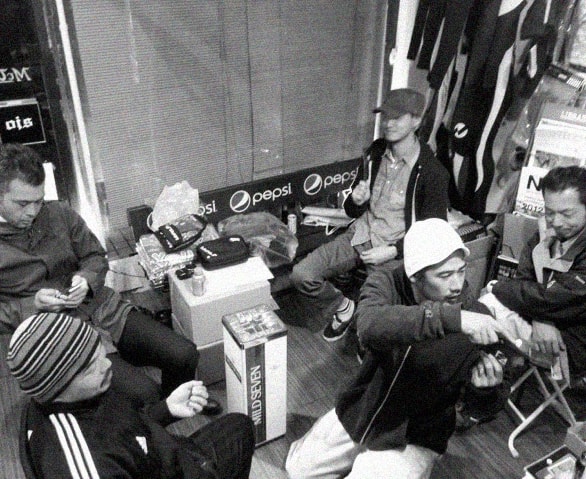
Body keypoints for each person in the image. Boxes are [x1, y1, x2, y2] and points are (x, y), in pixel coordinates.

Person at [286, 218, 509, 479]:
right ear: (414, 276)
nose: (457, 285)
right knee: (298, 471)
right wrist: (450, 318)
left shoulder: (479, 318)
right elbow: (368, 325)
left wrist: (484, 391)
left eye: (461, 270)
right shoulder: (386, 283)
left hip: (415, 434)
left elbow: (486, 407)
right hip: (363, 407)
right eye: (445, 275)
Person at [0, 143, 199, 405]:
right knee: (145, 395)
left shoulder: (59, 213)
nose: (32, 212)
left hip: (101, 308)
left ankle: (169, 411)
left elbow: (95, 255)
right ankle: (150, 417)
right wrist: (32, 305)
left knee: (185, 355)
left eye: (38, 201)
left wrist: (86, 279)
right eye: (23, 203)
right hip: (55, 333)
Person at [7, 312, 254, 479]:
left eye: (99, 353)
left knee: (239, 426)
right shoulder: (85, 465)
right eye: (89, 368)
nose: (106, 365)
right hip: (167, 467)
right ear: (59, 388)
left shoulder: (71, 395)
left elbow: (119, 428)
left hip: (165, 456)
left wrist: (166, 409)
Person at [290, 88, 450, 342]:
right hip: (360, 235)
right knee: (302, 275)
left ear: (416, 121)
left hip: (393, 249)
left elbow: (434, 234)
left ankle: (369, 338)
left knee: (374, 323)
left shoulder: (432, 173)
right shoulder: (375, 153)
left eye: (397, 117)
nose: (388, 123)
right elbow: (351, 210)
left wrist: (394, 251)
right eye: (385, 116)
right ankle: (344, 308)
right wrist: (355, 200)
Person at [489, 166, 586, 385]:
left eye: (567, 214)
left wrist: (496, 286)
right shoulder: (545, 237)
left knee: (487, 306)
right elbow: (525, 283)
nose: (556, 221)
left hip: (571, 347)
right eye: (549, 212)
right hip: (545, 328)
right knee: (482, 314)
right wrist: (540, 318)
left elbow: (553, 299)